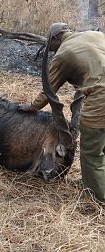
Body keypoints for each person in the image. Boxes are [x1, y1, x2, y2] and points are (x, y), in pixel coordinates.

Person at [19, 22, 105, 204]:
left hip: (101, 98)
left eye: (50, 46)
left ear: (57, 39)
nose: (51, 50)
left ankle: (98, 199)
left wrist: (32, 107)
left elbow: (48, 90)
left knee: (92, 153)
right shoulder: (93, 35)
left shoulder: (63, 54)